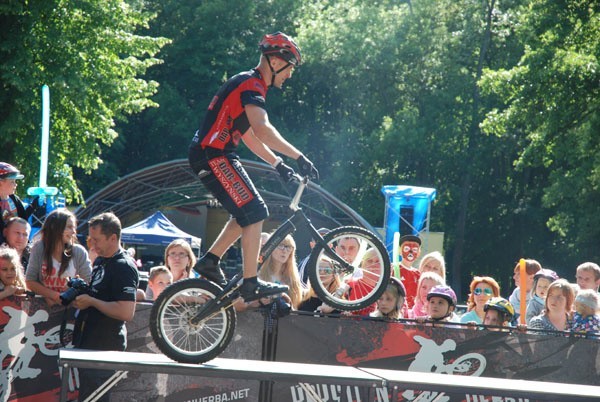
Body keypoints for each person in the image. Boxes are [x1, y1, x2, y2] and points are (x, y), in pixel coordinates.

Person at [188, 32, 318, 303]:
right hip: (213, 155)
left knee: (247, 213)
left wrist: (278, 164)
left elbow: (249, 135)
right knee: (256, 211)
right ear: (274, 61)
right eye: (290, 67)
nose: (290, 75)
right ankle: (250, 283)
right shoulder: (251, 84)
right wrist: (298, 156)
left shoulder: (248, 85)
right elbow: (263, 129)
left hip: (219, 154)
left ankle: (210, 261)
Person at [71, 212, 139, 402]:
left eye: (97, 239)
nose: (92, 245)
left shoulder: (124, 266)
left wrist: (92, 302)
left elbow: (126, 312)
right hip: (89, 343)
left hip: (105, 348)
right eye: (90, 239)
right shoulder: (101, 260)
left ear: (113, 238)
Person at [25, 208, 92, 306]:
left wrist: (69, 294)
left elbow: (88, 282)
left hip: (70, 310)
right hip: (43, 309)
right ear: (54, 227)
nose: (74, 232)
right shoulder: (39, 248)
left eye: (74, 227)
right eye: (69, 227)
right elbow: (30, 281)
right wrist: (54, 296)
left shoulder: (79, 252)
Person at [257, 234, 303, 309]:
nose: (284, 250)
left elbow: (295, 308)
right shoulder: (259, 275)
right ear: (271, 248)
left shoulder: (293, 279)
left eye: (288, 247)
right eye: (280, 245)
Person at [0, 162, 37, 245]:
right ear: (1, 182)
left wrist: (33, 206)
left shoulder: (13, 199)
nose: (15, 184)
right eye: (12, 181)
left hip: (16, 246)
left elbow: (20, 220)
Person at [397, 234, 421, 309]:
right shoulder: (393, 268)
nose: (410, 251)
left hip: (411, 313)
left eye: (414, 249)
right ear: (400, 251)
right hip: (396, 310)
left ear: (418, 253)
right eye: (406, 248)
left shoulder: (418, 274)